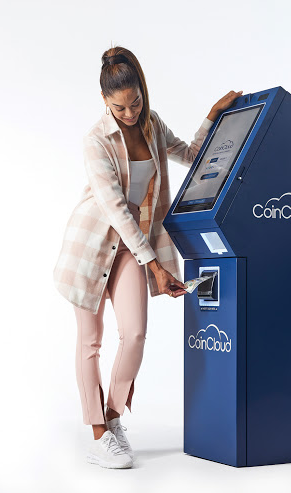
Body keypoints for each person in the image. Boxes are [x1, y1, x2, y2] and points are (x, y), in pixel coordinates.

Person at [53, 45, 243, 469]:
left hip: (131, 247)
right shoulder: (96, 141)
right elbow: (116, 209)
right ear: (105, 101)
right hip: (91, 247)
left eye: (135, 102)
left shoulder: (152, 125)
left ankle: (113, 416)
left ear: (142, 90)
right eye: (119, 107)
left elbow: (190, 155)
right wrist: (154, 265)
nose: (129, 113)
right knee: (90, 341)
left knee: (135, 334)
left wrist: (213, 116)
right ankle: (98, 435)